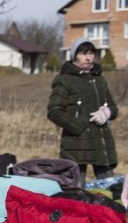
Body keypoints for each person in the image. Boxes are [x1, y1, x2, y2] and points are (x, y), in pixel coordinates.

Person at [47, 39, 118, 186]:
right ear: (74, 56)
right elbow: (54, 112)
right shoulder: (64, 80)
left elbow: (113, 107)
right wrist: (78, 126)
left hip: (101, 142)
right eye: (83, 53)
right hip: (75, 144)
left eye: (91, 53)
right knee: (76, 192)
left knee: (110, 189)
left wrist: (107, 113)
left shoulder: (99, 79)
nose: (88, 57)